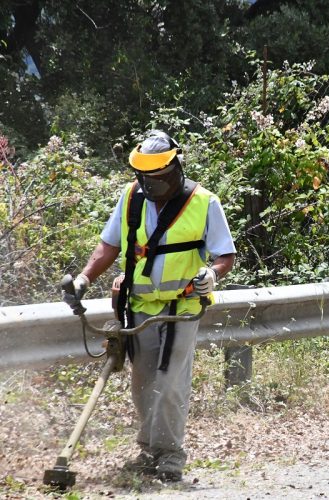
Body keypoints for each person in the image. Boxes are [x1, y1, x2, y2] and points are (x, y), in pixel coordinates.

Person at [62, 130, 236, 481]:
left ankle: (170, 456)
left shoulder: (204, 202)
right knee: (142, 382)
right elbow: (108, 246)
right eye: (146, 178)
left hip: (182, 305)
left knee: (170, 380)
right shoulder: (131, 198)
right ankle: (148, 451)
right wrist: (83, 279)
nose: (153, 185)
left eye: (159, 177)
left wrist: (212, 275)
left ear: (176, 169)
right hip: (139, 306)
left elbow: (224, 255)